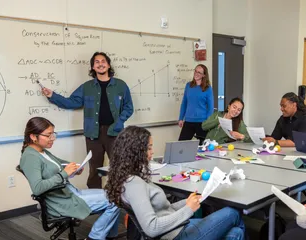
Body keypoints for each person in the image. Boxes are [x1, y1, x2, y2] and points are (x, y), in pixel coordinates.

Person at [105, 126, 245, 240]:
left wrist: (187, 202)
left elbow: (162, 210)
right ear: (134, 151)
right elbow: (152, 228)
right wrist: (188, 209)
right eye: (148, 148)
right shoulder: (134, 184)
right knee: (233, 212)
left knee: (236, 233)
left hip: (175, 228)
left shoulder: (130, 177)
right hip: (174, 235)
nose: (152, 152)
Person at [42, 52, 134, 188]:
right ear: (93, 67)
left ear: (108, 65)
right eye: (97, 62)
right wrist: (52, 96)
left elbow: (128, 107)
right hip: (93, 134)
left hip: (115, 133)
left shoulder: (120, 85)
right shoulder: (87, 87)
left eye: (103, 61)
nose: (100, 64)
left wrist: (119, 122)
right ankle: (96, 200)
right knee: (95, 170)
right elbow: (71, 102)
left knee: (119, 168)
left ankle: (120, 199)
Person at [20, 117, 120, 240]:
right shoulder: (30, 157)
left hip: (69, 194)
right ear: (33, 137)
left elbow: (58, 163)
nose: (52, 139)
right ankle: (95, 237)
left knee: (114, 195)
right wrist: (64, 174)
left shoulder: (41, 151)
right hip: (61, 202)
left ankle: (109, 236)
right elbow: (37, 188)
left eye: (53, 134)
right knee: (115, 199)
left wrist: (74, 167)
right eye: (48, 135)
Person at [178, 64, 214, 144]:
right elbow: (184, 102)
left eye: (199, 72)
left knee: (203, 147)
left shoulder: (207, 89)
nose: (196, 73)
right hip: (188, 121)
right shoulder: (188, 85)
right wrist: (181, 118)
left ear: (204, 75)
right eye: (195, 71)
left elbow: (210, 107)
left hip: (202, 122)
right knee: (181, 145)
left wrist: (207, 123)